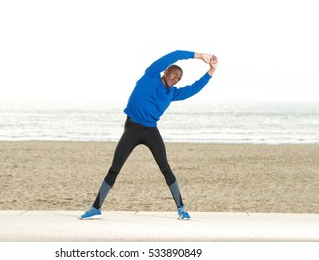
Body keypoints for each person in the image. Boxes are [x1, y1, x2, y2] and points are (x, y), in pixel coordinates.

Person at [80, 50, 218, 220]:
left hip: (151, 131)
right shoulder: (151, 75)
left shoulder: (172, 93)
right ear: (165, 71)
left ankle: (181, 208)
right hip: (132, 129)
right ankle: (95, 208)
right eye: (174, 75)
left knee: (165, 168)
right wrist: (199, 56)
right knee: (115, 168)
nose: (176, 79)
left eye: (179, 78)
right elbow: (174, 55)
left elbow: (194, 88)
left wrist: (211, 70)